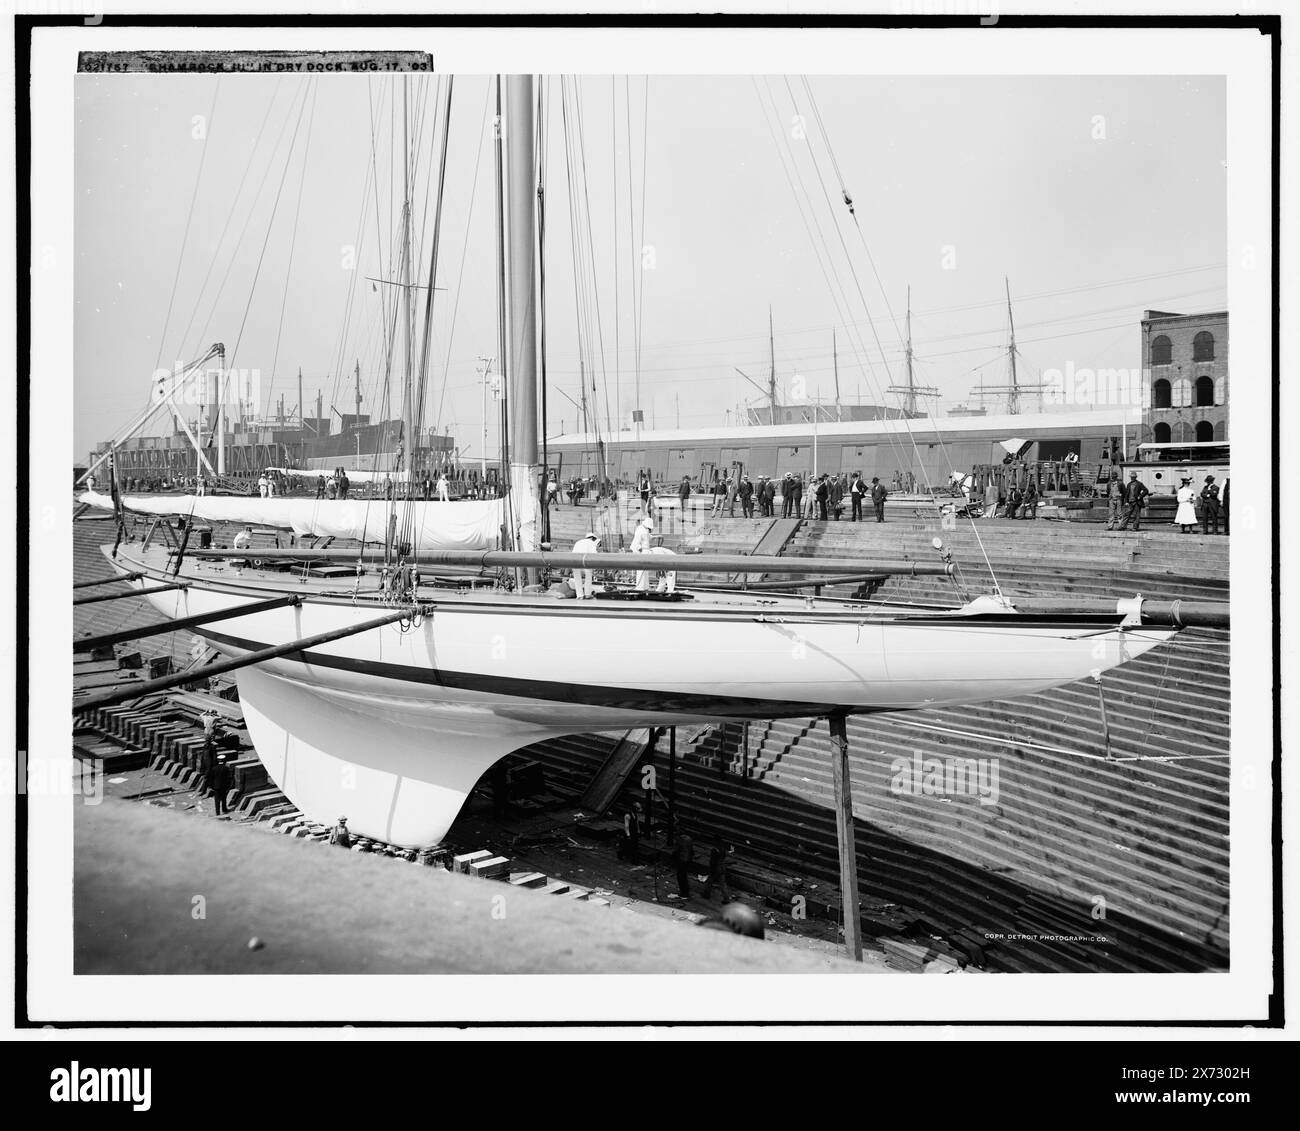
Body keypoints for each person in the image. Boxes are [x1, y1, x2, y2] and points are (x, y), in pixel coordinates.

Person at [571, 533, 601, 598]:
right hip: (585, 562)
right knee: (588, 576)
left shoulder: (578, 542)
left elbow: (573, 553)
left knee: (577, 578)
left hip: (575, 562)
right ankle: (587, 594)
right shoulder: (591, 543)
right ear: (593, 539)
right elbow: (594, 554)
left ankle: (579, 595)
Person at [631, 516, 654, 591]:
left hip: (645, 551)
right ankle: (640, 587)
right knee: (641, 570)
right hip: (640, 551)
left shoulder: (645, 529)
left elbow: (647, 537)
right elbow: (636, 542)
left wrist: (654, 537)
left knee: (645, 570)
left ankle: (645, 587)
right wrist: (640, 550)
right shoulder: (640, 530)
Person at [671, 831, 694, 900]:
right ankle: (686, 891)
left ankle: (683, 893)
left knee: (681, 877)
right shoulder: (688, 839)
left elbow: (676, 851)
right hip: (688, 860)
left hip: (682, 860)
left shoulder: (679, 841)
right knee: (684, 876)